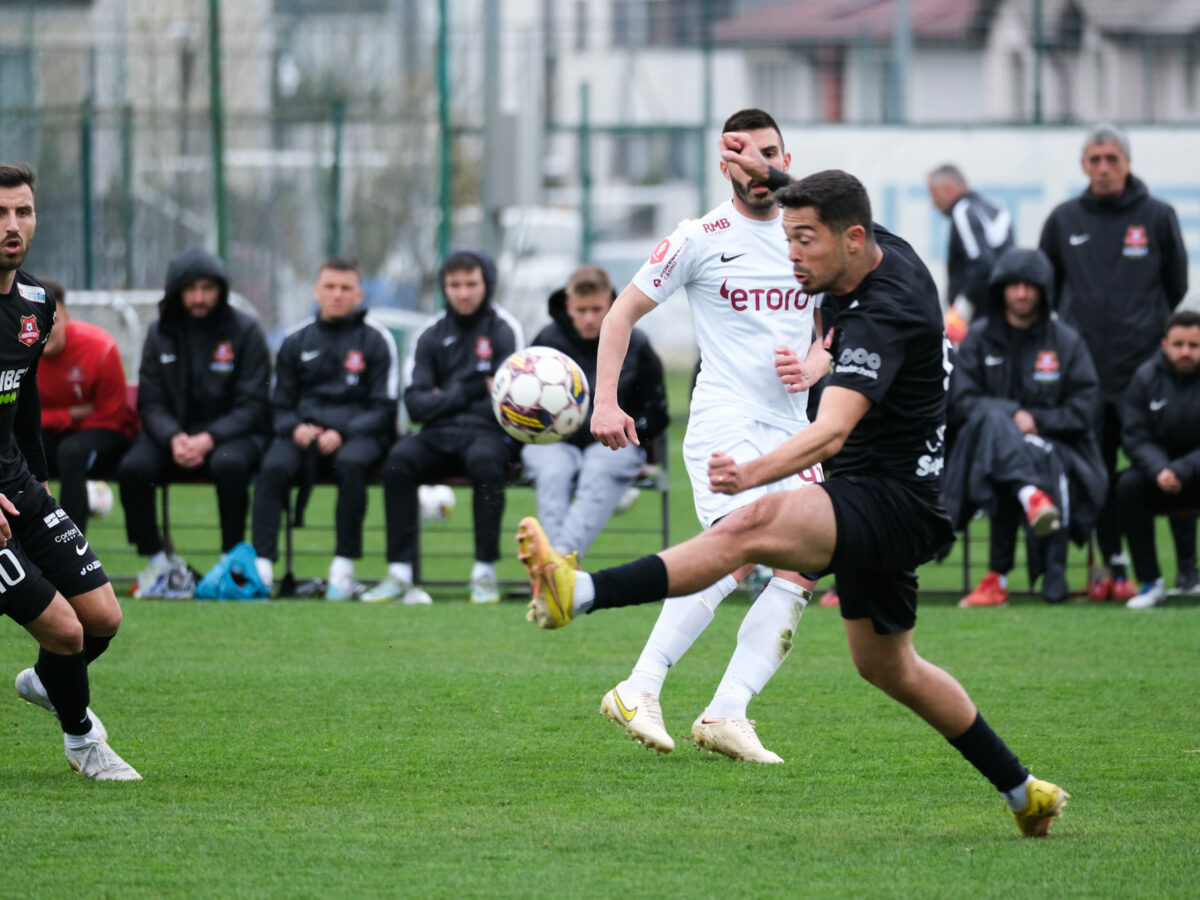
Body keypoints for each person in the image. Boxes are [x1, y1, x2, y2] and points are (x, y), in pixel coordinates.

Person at [519, 166, 1068, 838]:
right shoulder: (872, 249)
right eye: (787, 237)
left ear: (852, 239)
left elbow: (830, 430)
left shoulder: (883, 315)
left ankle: (576, 593)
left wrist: (751, 474)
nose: (790, 255)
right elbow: (830, 200)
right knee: (891, 668)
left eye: (804, 240)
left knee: (748, 528)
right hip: (883, 499)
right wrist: (775, 177)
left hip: (891, 501)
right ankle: (1024, 793)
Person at [587, 108, 830, 764]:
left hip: (792, 431)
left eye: (771, 153)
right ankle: (639, 687)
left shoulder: (810, 235)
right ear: (725, 165)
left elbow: (831, 337)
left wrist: (811, 366)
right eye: (743, 155)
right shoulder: (699, 237)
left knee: (805, 566)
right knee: (738, 553)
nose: (758, 167)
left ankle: (727, 711)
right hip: (725, 424)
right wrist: (604, 402)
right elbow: (621, 315)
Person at [0, 163, 139, 779]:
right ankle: (83, 740)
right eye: (0, 214)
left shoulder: (35, 303)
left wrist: (39, 477)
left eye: (22, 212)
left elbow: (22, 400)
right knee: (63, 630)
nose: (12, 226)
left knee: (102, 618)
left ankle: (47, 683)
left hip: (17, 486)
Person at [1038, 123, 1190, 602]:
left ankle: (1188, 568)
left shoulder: (1158, 216)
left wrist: (1146, 332)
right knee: (1097, 470)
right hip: (1087, 377)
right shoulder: (1063, 219)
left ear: (1127, 163)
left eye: (1112, 159)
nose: (1104, 168)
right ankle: (1113, 562)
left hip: (1149, 375)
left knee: (1169, 465)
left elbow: (1176, 284)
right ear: (1084, 166)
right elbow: (1047, 287)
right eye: (1095, 160)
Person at [944, 248, 1106, 606]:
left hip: (1058, 448)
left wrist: (1037, 422)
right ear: (1000, 289)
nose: (1021, 293)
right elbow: (960, 401)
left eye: (1029, 286)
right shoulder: (979, 337)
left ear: (1043, 290)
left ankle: (997, 578)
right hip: (982, 450)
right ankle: (1031, 498)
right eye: (1013, 285)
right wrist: (1012, 414)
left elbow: (1084, 408)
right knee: (994, 424)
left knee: (1016, 451)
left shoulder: (1066, 342)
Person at [360, 249, 523, 605]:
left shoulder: (505, 330)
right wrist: (471, 387)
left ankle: (484, 572)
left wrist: (445, 395)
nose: (463, 293)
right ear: (444, 287)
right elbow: (416, 405)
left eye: (471, 284)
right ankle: (400, 573)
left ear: (487, 284)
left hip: (487, 434)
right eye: (454, 285)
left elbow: (508, 402)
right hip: (437, 434)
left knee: (485, 463)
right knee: (399, 459)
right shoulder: (429, 334)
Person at [117, 247, 271, 594]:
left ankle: (229, 563)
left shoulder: (246, 332)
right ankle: (158, 564)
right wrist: (174, 437)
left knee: (230, 466)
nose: (199, 297)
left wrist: (209, 438)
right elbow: (150, 401)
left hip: (232, 435)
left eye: (208, 288)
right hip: (172, 435)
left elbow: (254, 404)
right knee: (133, 468)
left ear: (222, 290)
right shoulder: (160, 334)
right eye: (191, 288)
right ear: (176, 291)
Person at [250, 257, 399, 599]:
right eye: (330, 287)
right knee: (272, 467)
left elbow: (384, 407)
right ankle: (262, 570)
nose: (337, 294)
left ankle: (342, 570)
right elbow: (279, 402)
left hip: (356, 437)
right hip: (303, 436)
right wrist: (295, 428)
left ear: (359, 294)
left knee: (351, 464)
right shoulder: (294, 340)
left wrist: (343, 432)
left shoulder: (378, 340)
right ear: (317, 291)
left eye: (345, 288)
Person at [520, 264, 668, 561]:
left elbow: (658, 413)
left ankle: (554, 563)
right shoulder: (546, 342)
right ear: (568, 305)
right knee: (554, 472)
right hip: (554, 442)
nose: (589, 318)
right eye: (582, 309)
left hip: (615, 445)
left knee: (599, 469)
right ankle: (559, 568)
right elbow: (523, 405)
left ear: (612, 302)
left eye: (597, 309)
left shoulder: (637, 344)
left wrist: (630, 428)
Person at [36, 279, 138, 534]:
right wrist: (68, 416)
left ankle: (71, 554)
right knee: (14, 449)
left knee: (72, 451)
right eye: (35, 322)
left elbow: (111, 418)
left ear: (67, 317)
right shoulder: (15, 353)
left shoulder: (101, 349)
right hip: (55, 437)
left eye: (52, 320)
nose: (44, 329)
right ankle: (21, 552)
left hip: (105, 436)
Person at [1117, 310, 1200, 609]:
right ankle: (1151, 582)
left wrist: (1181, 469)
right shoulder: (1145, 378)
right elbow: (1134, 436)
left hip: (1194, 473)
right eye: (1178, 344)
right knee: (1127, 485)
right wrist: (1160, 469)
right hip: (1159, 476)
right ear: (1165, 344)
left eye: (1194, 345)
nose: (1186, 352)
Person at [927, 164, 1015, 344]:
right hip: (1006, 315)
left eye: (934, 194)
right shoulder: (995, 210)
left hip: (980, 320)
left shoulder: (963, 211)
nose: (934, 202)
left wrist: (960, 311)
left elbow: (982, 265)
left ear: (949, 188)